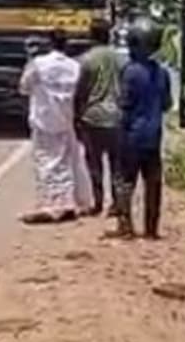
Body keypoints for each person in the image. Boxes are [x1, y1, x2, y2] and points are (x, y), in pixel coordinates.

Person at [18, 29, 96, 224]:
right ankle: (67, 202)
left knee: (46, 162)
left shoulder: (38, 64)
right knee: (67, 162)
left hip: (44, 120)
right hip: (66, 120)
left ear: (49, 43)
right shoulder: (74, 66)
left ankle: (52, 205)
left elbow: (24, 87)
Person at [112, 17, 172, 239]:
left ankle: (126, 226)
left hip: (131, 134)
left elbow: (124, 102)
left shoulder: (130, 72)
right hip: (153, 136)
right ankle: (151, 229)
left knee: (125, 180)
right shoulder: (162, 73)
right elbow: (167, 104)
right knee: (153, 183)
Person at [72, 19, 127, 218]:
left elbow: (80, 92)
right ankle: (117, 203)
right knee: (117, 165)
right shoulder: (121, 60)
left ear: (91, 36)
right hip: (117, 117)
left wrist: (76, 116)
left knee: (94, 164)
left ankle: (98, 202)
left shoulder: (85, 60)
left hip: (93, 117)